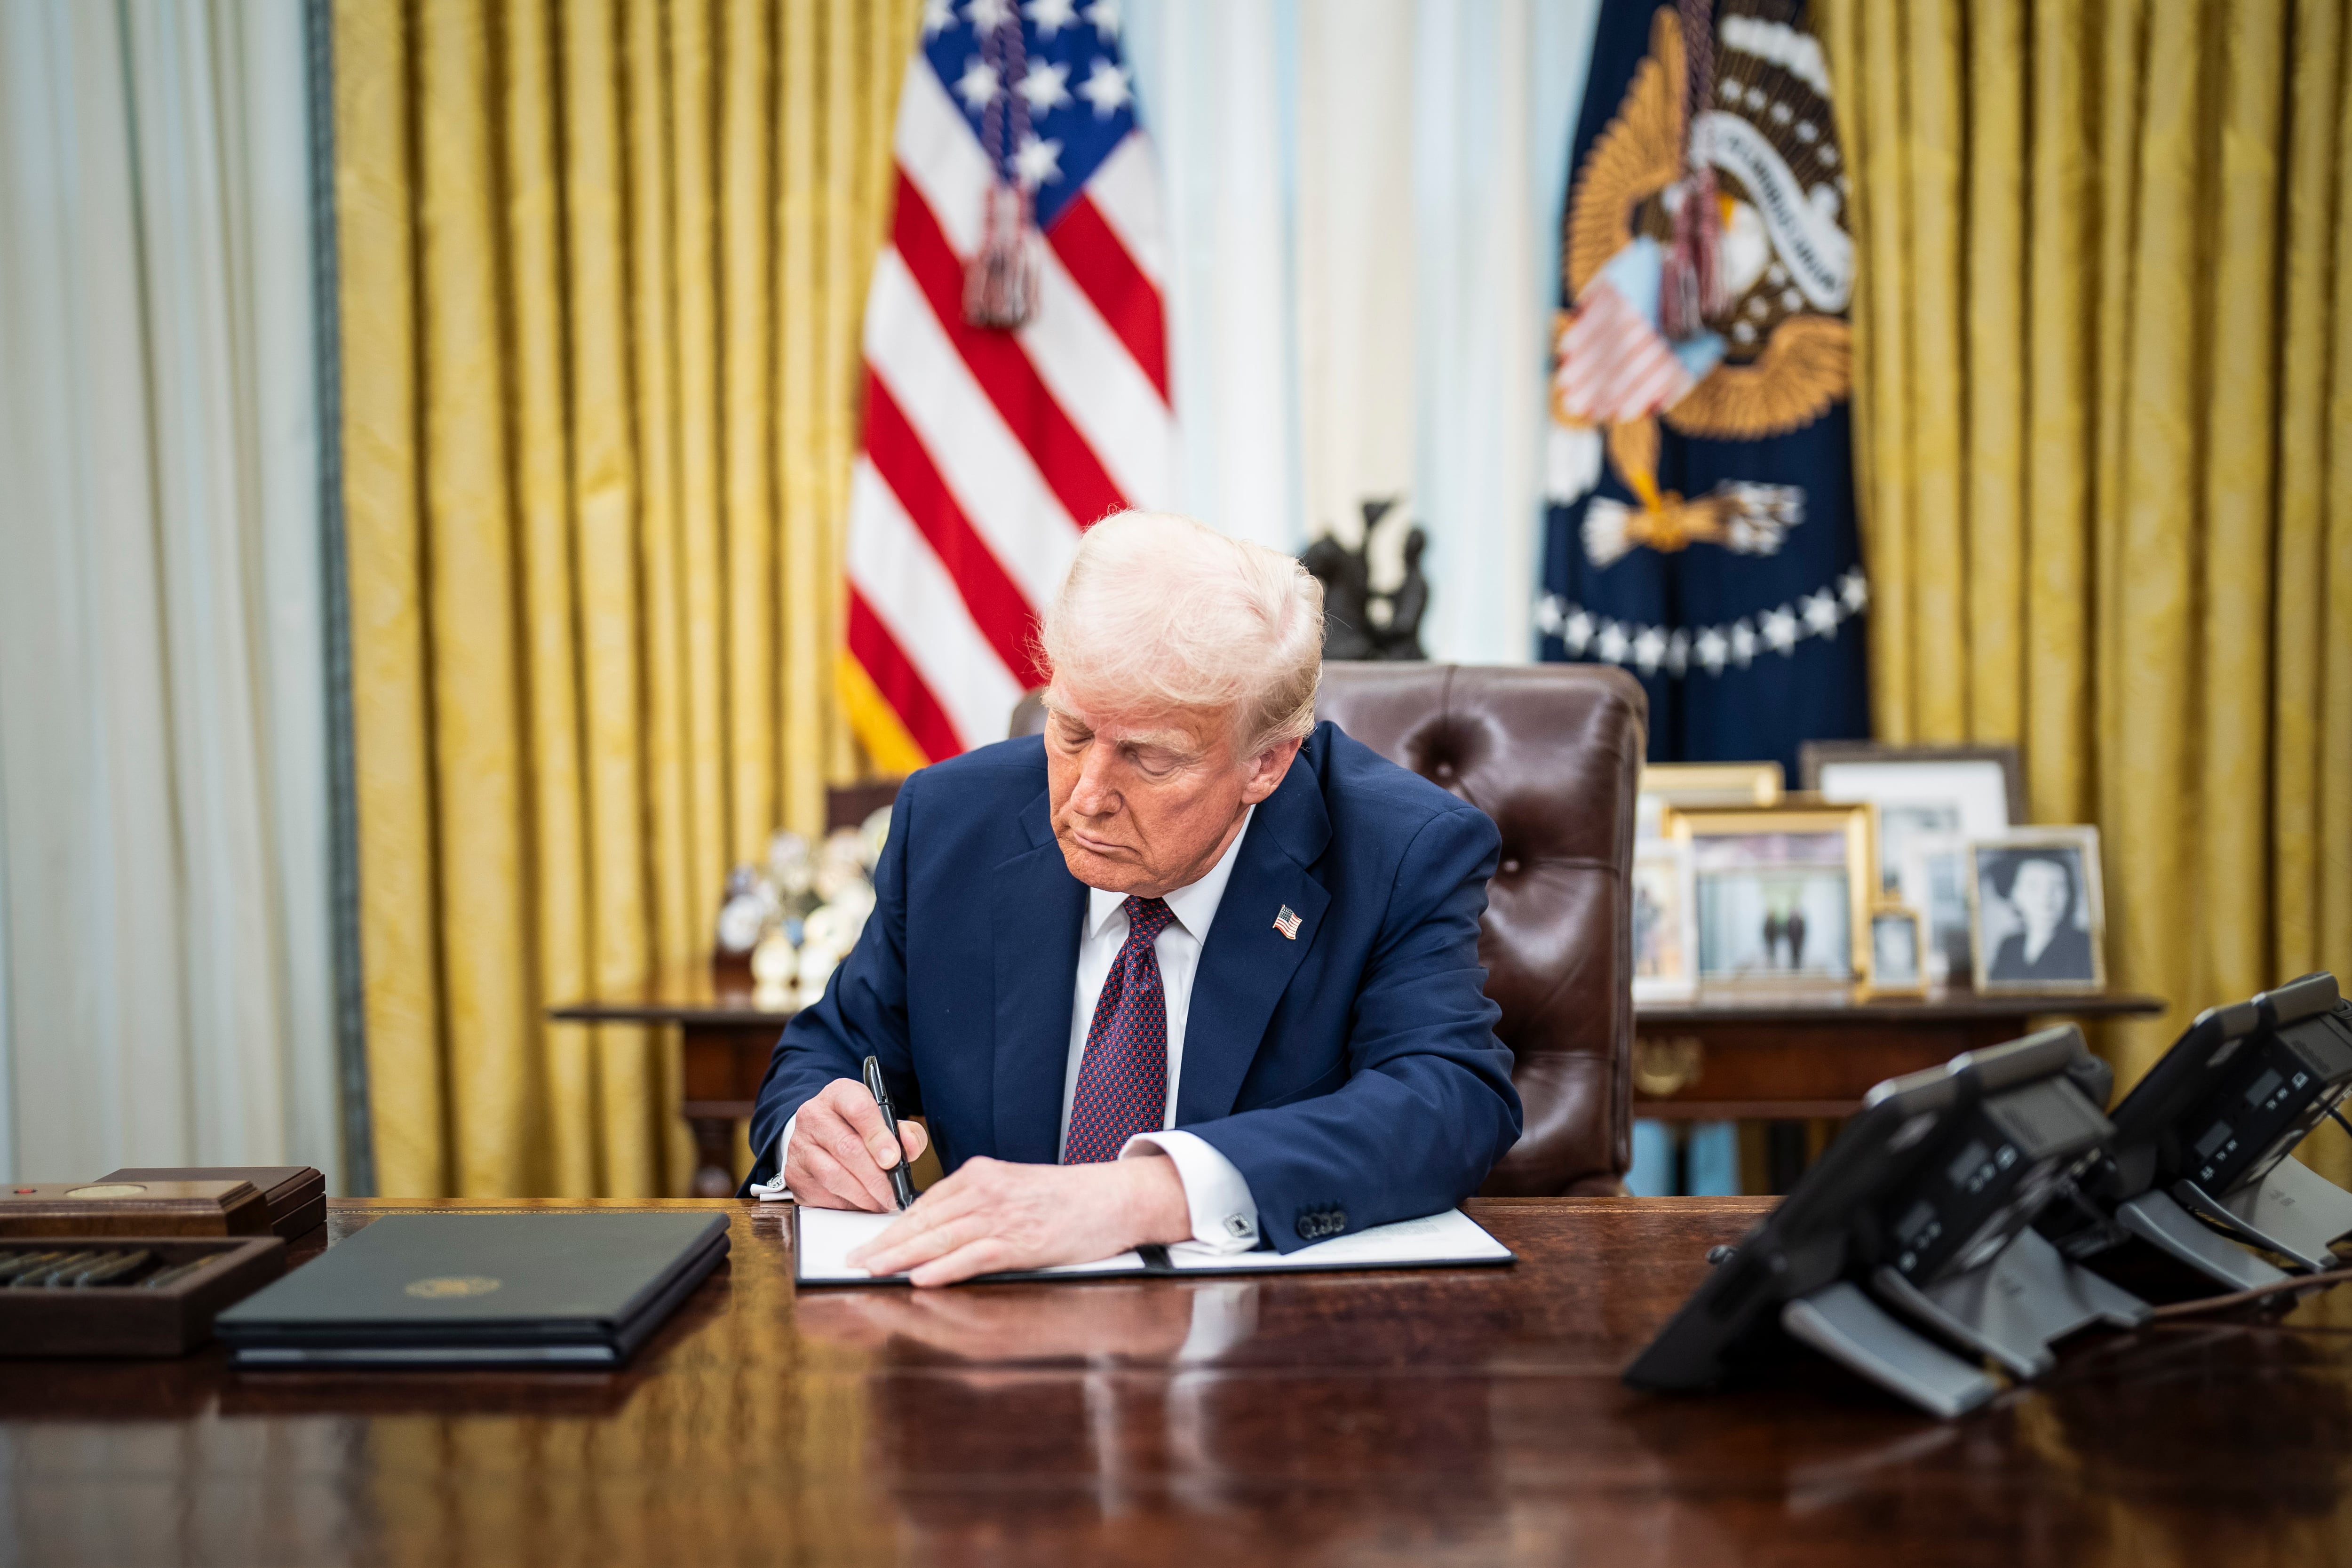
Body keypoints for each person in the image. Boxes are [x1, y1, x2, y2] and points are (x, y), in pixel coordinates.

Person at [743, 511, 1523, 1285]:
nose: (1085, 798)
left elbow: (1449, 1099)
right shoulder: (953, 822)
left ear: (1268, 763)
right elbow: (832, 1048)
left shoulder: (1397, 850)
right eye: (1072, 732)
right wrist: (812, 1130)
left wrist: (1145, 1193)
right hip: (995, 1348)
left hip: (1271, 1357)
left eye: (1149, 758)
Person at [1987, 853, 2093, 983]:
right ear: (2014, 894)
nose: (2045, 898)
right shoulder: (2010, 947)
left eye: (2057, 886)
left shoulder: (2086, 946)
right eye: (2034, 886)